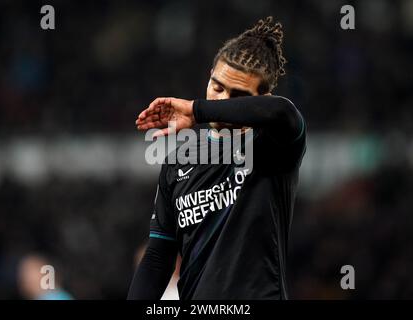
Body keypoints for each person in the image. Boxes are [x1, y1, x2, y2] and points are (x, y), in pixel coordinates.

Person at [128, 16, 306, 300]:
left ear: (262, 97)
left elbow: (283, 113)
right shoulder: (180, 158)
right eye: (217, 86)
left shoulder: (273, 146)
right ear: (209, 75)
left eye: (238, 95)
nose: (221, 100)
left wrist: (197, 110)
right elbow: (159, 257)